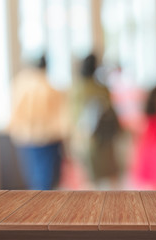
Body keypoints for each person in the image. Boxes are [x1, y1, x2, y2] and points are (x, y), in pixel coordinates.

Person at [8, 56, 67, 190]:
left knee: (33, 173)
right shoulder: (50, 87)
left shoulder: (20, 84)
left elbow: (15, 111)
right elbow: (60, 116)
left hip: (25, 137)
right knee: (46, 175)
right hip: (47, 137)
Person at [70, 54, 121, 188]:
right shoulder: (102, 88)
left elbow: (72, 117)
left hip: (87, 139)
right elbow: (112, 111)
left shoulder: (77, 89)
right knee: (110, 174)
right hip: (105, 137)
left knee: (90, 177)